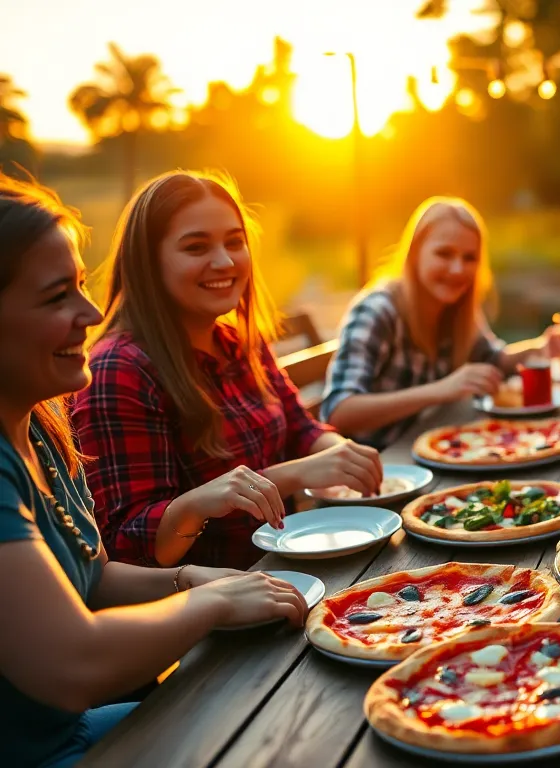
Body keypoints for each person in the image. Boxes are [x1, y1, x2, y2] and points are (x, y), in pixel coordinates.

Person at [0, 176, 307, 768]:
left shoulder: (40, 422)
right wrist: (210, 606)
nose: (90, 314)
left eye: (82, 287)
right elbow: (74, 666)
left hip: (68, 731)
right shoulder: (116, 372)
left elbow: (91, 578)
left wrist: (197, 581)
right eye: (55, 296)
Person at [71, 171, 383, 571]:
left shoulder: (237, 341)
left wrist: (341, 453)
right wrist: (290, 476)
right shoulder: (119, 371)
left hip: (293, 563)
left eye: (234, 242)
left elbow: (298, 426)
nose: (224, 261)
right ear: (148, 262)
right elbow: (127, 547)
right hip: (212, 605)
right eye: (196, 247)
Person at [322, 197, 560, 449]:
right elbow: (339, 412)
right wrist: (441, 390)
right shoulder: (376, 310)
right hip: (381, 466)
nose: (458, 269)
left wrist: (539, 348)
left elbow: (495, 361)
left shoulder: (457, 309)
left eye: (469, 257)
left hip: (440, 448)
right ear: (415, 253)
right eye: (444, 253)